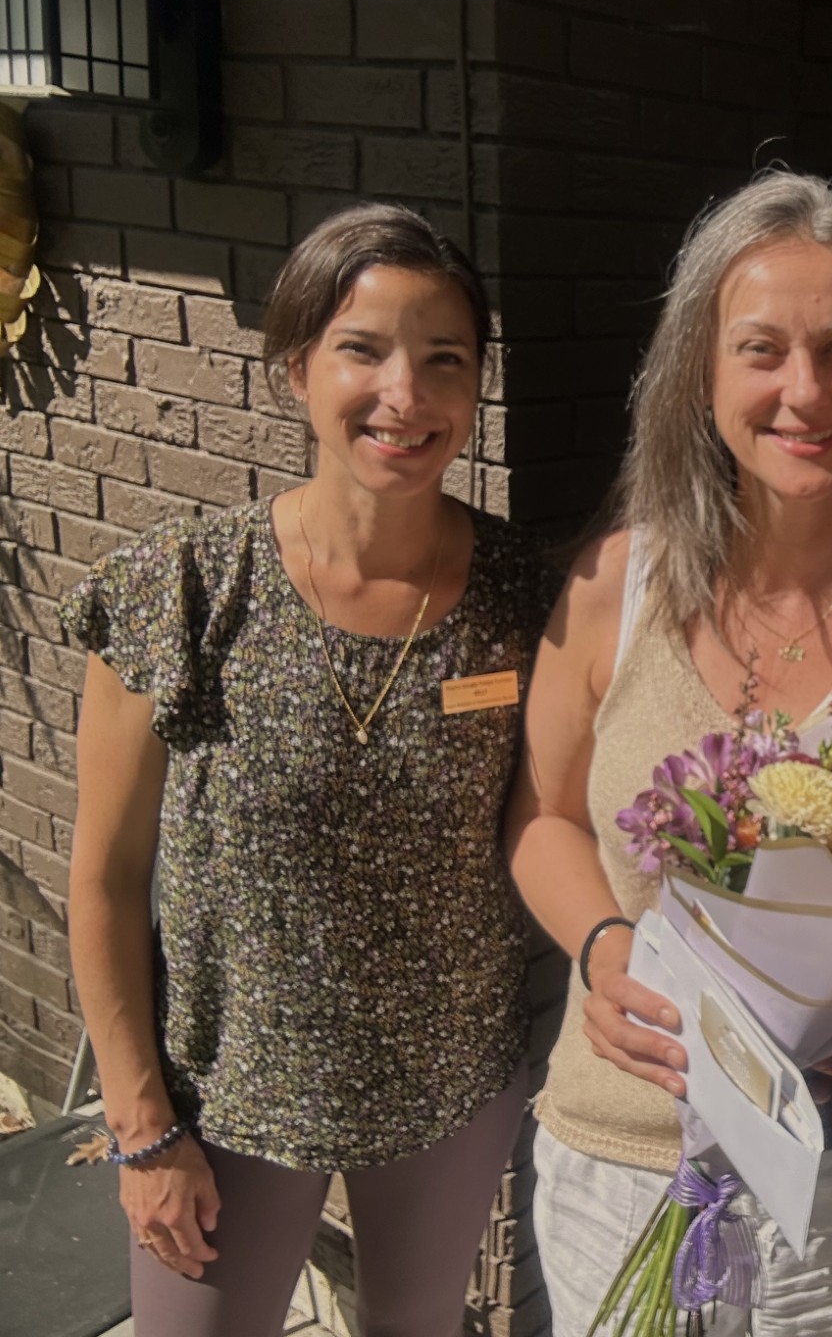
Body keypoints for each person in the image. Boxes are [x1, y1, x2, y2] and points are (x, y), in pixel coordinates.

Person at [506, 169, 832, 1337]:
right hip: (623, 1159)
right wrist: (602, 948)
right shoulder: (610, 590)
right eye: (761, 350)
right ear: (703, 367)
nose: (806, 390)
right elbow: (541, 818)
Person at [62, 204, 553, 1335]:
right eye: (364, 350)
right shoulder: (179, 588)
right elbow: (105, 875)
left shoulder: (528, 594)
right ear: (294, 367)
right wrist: (141, 1126)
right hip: (227, 1091)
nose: (407, 396)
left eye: (445, 361)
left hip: (448, 1080)